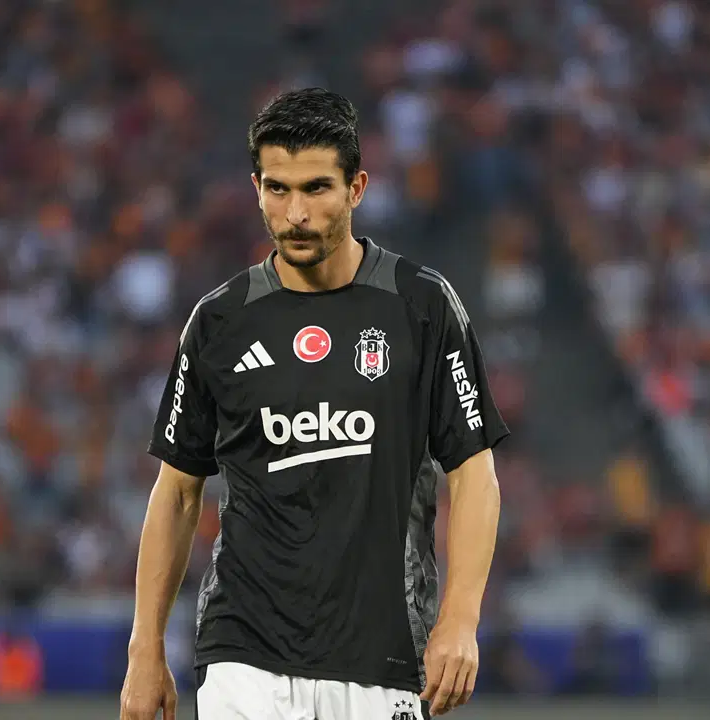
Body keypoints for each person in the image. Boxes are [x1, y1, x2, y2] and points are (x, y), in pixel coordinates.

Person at [119, 88, 507, 720]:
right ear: (256, 189)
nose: (295, 213)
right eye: (277, 189)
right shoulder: (220, 322)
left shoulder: (422, 307)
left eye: (316, 188)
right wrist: (145, 649)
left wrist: (460, 619)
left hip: (381, 657)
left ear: (356, 188)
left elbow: (474, 474)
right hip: (243, 656)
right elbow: (178, 492)